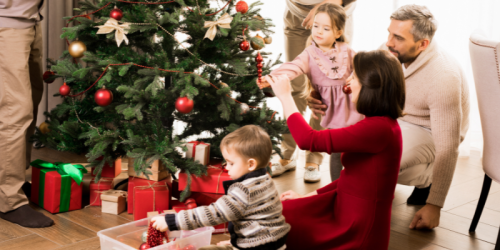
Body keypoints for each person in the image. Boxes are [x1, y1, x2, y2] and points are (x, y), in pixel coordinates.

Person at [308, 4, 470, 230]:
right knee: (341, 136)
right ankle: (339, 199)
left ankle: (426, 181)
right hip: (393, 115)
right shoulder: (390, 50)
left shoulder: (444, 76)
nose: (389, 42)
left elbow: (448, 147)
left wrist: (435, 205)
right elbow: (357, 82)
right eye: (389, 33)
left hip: (429, 130)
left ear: (422, 44)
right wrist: (322, 95)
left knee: (373, 158)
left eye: (398, 37)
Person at [267, 50, 405, 249]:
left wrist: (286, 97)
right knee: (282, 211)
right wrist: (306, 197)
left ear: (370, 87)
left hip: (356, 229)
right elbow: (351, 178)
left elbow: (308, 140)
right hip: (343, 209)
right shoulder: (378, 124)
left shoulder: (379, 129)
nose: (349, 82)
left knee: (279, 219)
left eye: (355, 76)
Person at [259, 3, 363, 183]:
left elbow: (363, 67)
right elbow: (293, 67)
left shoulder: (347, 51)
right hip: (329, 117)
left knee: (351, 155)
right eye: (316, 27)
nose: (318, 32)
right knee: (336, 153)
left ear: (337, 33)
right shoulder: (308, 54)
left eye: (325, 28)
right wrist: (272, 77)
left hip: (351, 114)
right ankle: (335, 189)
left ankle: (347, 184)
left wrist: (354, 78)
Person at [151, 125, 290, 250]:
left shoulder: (244, 191)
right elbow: (258, 222)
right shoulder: (266, 179)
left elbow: (214, 213)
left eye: (230, 163)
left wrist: (173, 221)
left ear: (251, 164)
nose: (226, 167)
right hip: (274, 242)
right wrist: (236, 242)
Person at [0, 0, 54, 228]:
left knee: (31, 100)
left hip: (29, 20)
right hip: (6, 25)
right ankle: (8, 200)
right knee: (15, 110)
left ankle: (14, 182)